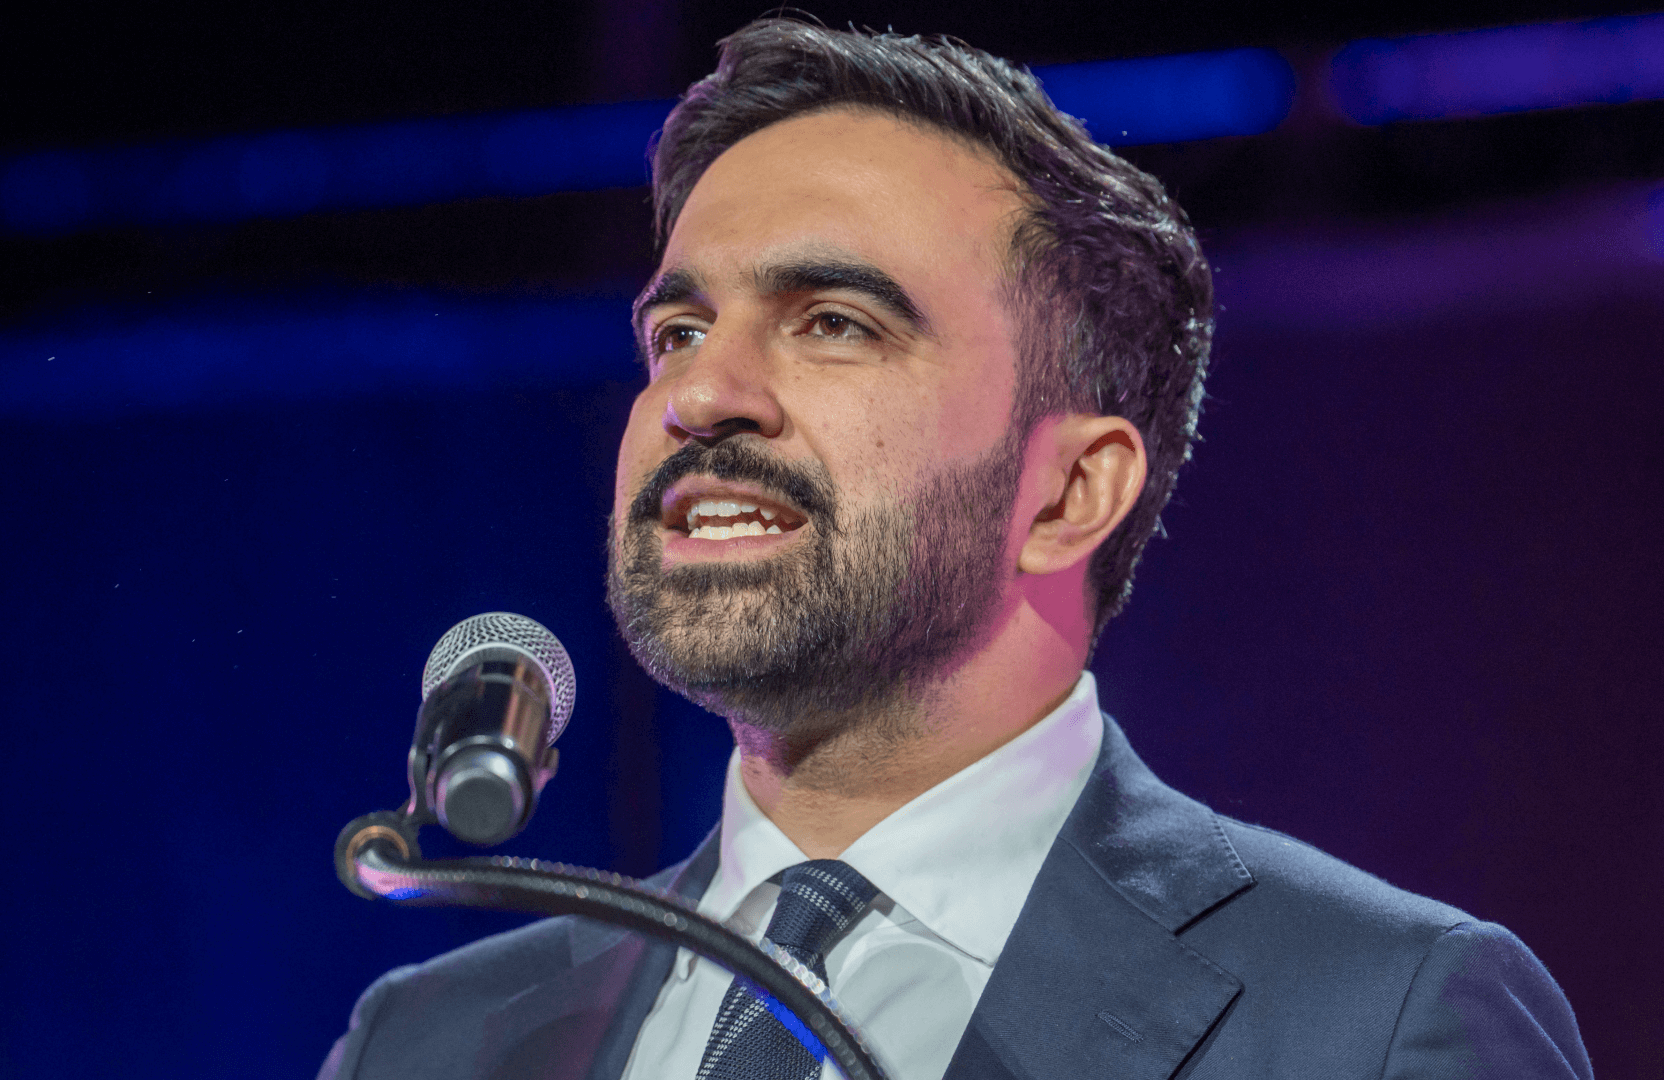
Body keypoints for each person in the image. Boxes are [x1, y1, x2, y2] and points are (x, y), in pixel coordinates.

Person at [320, 19, 1592, 1080]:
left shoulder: (1377, 1023)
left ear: (1069, 492)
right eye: (680, 331)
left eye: (833, 322)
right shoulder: (433, 1042)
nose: (700, 397)